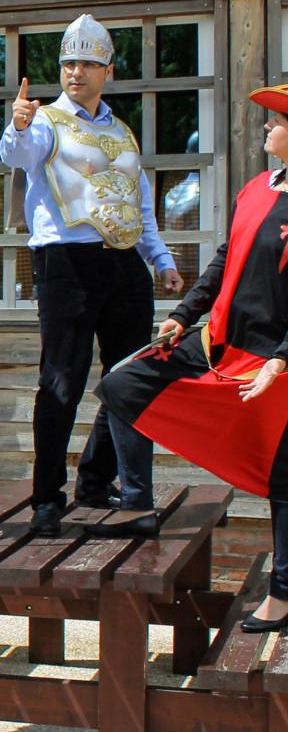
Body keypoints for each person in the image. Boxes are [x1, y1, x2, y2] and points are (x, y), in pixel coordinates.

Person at [98, 84, 288, 629]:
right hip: (215, 345)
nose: (266, 128)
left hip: (272, 362)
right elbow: (226, 258)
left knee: (285, 482)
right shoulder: (256, 188)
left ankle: (283, 596)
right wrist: (185, 313)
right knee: (121, 383)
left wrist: (280, 360)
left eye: (274, 121)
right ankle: (138, 499)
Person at [0, 13, 184, 538]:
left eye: (86, 63)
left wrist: (162, 259)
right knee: (61, 382)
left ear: (108, 69)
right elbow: (17, 156)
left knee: (129, 377)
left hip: (124, 263)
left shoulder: (121, 130)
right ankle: (46, 498)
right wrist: (16, 124)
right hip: (66, 263)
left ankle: (99, 480)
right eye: (68, 62)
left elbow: (138, 203)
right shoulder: (42, 120)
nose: (75, 72)